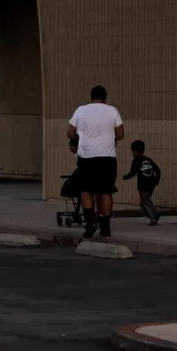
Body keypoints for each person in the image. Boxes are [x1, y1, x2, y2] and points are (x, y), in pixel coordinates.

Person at [66, 85, 124, 240]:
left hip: (86, 157)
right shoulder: (112, 111)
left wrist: (83, 138)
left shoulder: (80, 110)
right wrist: (108, 138)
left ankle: (90, 224)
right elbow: (120, 134)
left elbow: (70, 132)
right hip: (107, 157)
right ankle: (105, 227)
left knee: (86, 190)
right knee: (106, 191)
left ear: (91, 97)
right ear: (105, 98)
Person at [122, 139, 162, 225]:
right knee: (146, 200)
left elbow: (133, 172)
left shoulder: (136, 161)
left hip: (143, 184)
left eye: (132, 152)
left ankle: (153, 218)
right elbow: (157, 169)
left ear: (135, 151)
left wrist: (126, 177)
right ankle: (155, 213)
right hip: (151, 184)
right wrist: (157, 180)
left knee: (144, 202)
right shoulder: (148, 159)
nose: (132, 154)